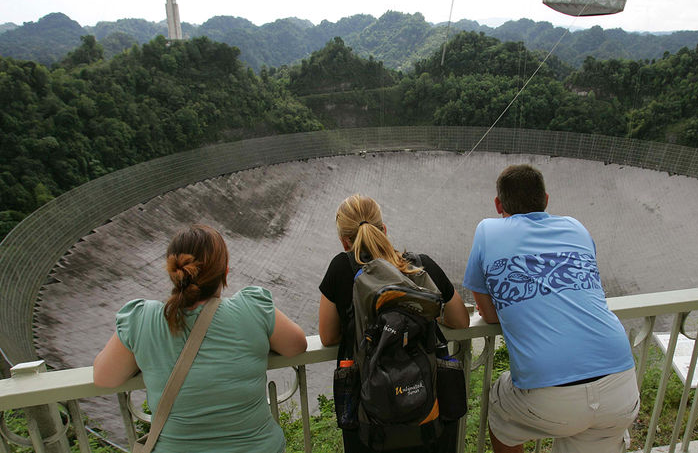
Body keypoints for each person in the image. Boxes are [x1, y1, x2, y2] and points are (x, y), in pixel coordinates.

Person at [462, 164, 639, 453]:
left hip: (550, 397)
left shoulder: (487, 231)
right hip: (620, 387)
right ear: (546, 200)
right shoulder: (576, 227)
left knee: (500, 405)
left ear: (498, 204)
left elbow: (490, 313)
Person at [93, 224, 307, 453]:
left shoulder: (142, 318)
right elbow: (297, 345)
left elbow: (104, 378)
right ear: (224, 273)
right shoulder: (252, 308)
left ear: (174, 273)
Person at [318, 194, 470, 453]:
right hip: (426, 411)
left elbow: (328, 336)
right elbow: (460, 320)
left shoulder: (341, 269)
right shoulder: (420, 266)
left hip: (370, 416)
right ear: (384, 230)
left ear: (345, 241)